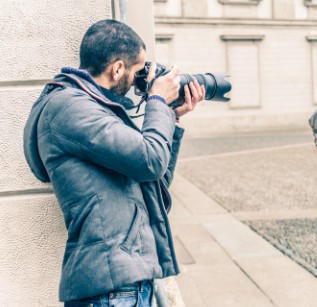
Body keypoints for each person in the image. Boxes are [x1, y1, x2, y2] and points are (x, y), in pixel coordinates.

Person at [23, 19, 205, 306]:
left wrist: (172, 116)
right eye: (136, 72)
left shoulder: (94, 109)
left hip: (123, 284)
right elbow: (151, 161)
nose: (137, 83)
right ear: (117, 68)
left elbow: (154, 182)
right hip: (112, 289)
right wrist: (157, 100)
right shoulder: (72, 108)